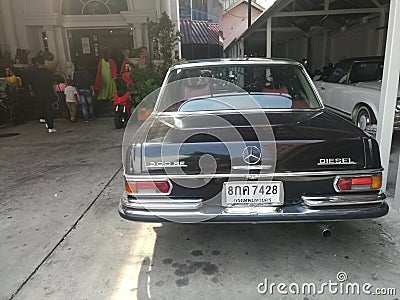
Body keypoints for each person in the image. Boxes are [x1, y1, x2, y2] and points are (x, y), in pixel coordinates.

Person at [30, 57, 57, 133]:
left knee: (43, 108)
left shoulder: (34, 73)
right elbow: (54, 80)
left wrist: (32, 91)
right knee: (49, 109)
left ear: (37, 63)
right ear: (44, 63)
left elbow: (31, 83)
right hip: (48, 93)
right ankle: (50, 126)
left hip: (38, 93)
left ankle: (45, 120)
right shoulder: (48, 71)